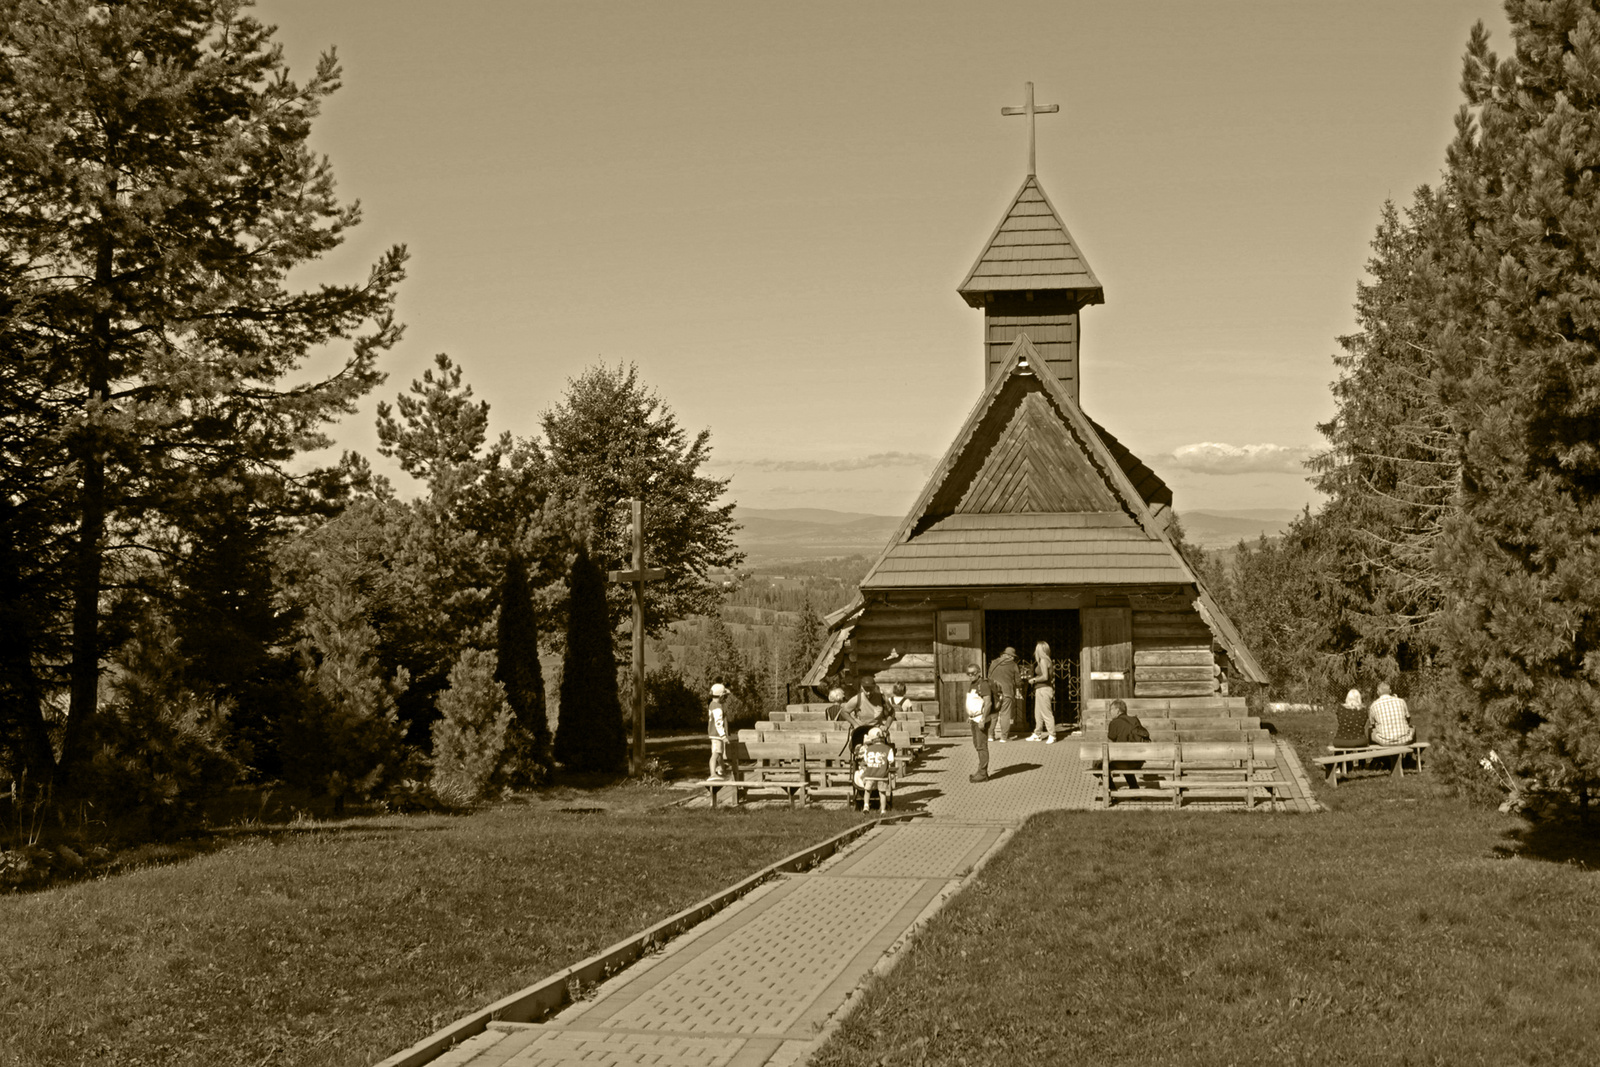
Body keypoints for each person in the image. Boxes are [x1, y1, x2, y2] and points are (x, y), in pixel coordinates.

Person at [1105, 697, 1150, 788]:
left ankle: (1112, 791)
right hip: (1138, 761)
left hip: (1125, 762)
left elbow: (1109, 744)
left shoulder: (1114, 723)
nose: (1110, 712)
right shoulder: (1135, 720)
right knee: (1125, 758)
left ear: (1117, 710)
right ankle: (1134, 788)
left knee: (1100, 765)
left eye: (1111, 709)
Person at [854, 725, 897, 810]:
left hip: (870, 774)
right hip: (882, 775)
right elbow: (891, 761)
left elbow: (866, 761)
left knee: (867, 791)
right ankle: (883, 810)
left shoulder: (868, 749)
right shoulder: (888, 749)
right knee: (882, 793)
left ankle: (866, 806)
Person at [964, 663, 993, 783]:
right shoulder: (972, 684)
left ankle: (982, 773)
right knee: (977, 745)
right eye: (968, 674)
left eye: (973, 673)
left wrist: (983, 719)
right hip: (973, 719)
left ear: (979, 673)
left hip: (980, 719)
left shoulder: (983, 684)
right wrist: (970, 715)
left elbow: (988, 703)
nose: (970, 676)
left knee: (982, 746)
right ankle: (982, 771)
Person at [988, 646, 1020, 743]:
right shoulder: (1013, 665)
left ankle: (990, 735)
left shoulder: (993, 663)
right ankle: (1003, 737)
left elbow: (989, 677)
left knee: (993, 714)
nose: (1014, 658)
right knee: (1005, 714)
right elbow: (1018, 681)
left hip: (994, 692)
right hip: (1007, 692)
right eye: (1013, 656)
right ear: (1009, 656)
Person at [1368, 681, 1414, 746]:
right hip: (1404, 740)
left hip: (1384, 742)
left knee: (1370, 731)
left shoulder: (1373, 705)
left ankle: (1375, 754)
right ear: (1390, 691)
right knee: (1412, 728)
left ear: (1378, 692)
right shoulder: (1401, 701)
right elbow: (1408, 718)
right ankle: (1411, 754)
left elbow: (1372, 724)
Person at [1028, 641, 1057, 743]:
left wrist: (1034, 680)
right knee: (1038, 713)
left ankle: (1052, 735)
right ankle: (1037, 733)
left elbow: (1045, 677)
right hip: (1041, 689)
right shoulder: (1045, 660)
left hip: (1044, 689)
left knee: (1046, 713)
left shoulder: (1044, 660)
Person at [707, 682, 730, 780]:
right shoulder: (717, 708)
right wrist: (724, 736)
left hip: (714, 734)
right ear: (721, 697)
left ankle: (722, 769)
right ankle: (712, 773)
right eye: (724, 697)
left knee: (720, 754)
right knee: (716, 753)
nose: (725, 699)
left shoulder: (712, 704)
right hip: (717, 735)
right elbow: (718, 723)